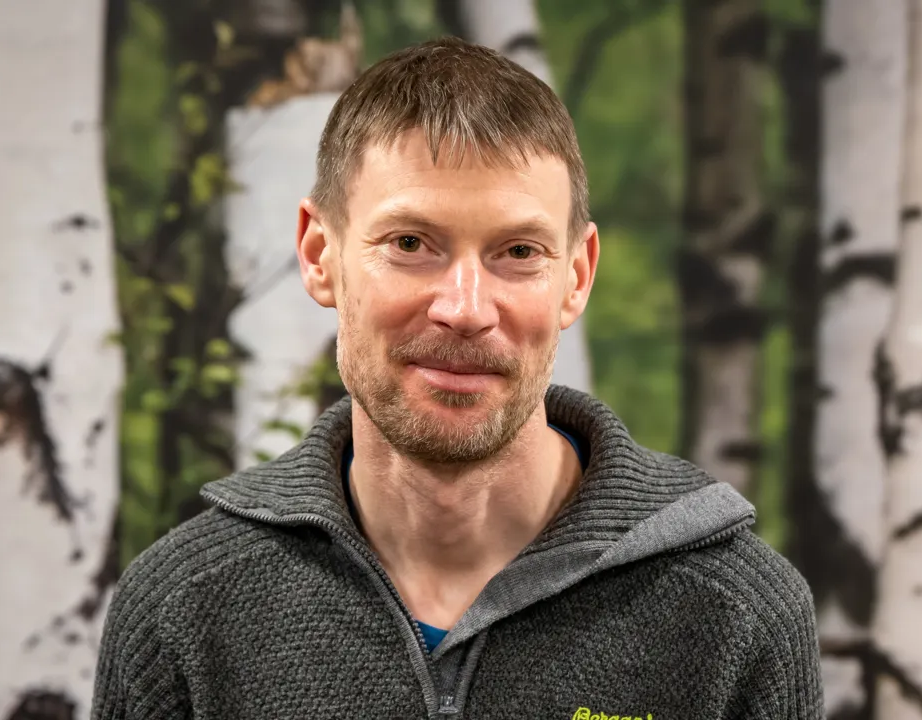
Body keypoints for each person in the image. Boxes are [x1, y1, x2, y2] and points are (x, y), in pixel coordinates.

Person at [91, 36, 821, 719]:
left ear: (577, 276)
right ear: (320, 255)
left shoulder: (735, 613)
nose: (466, 310)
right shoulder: (183, 610)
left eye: (518, 251)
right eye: (411, 243)